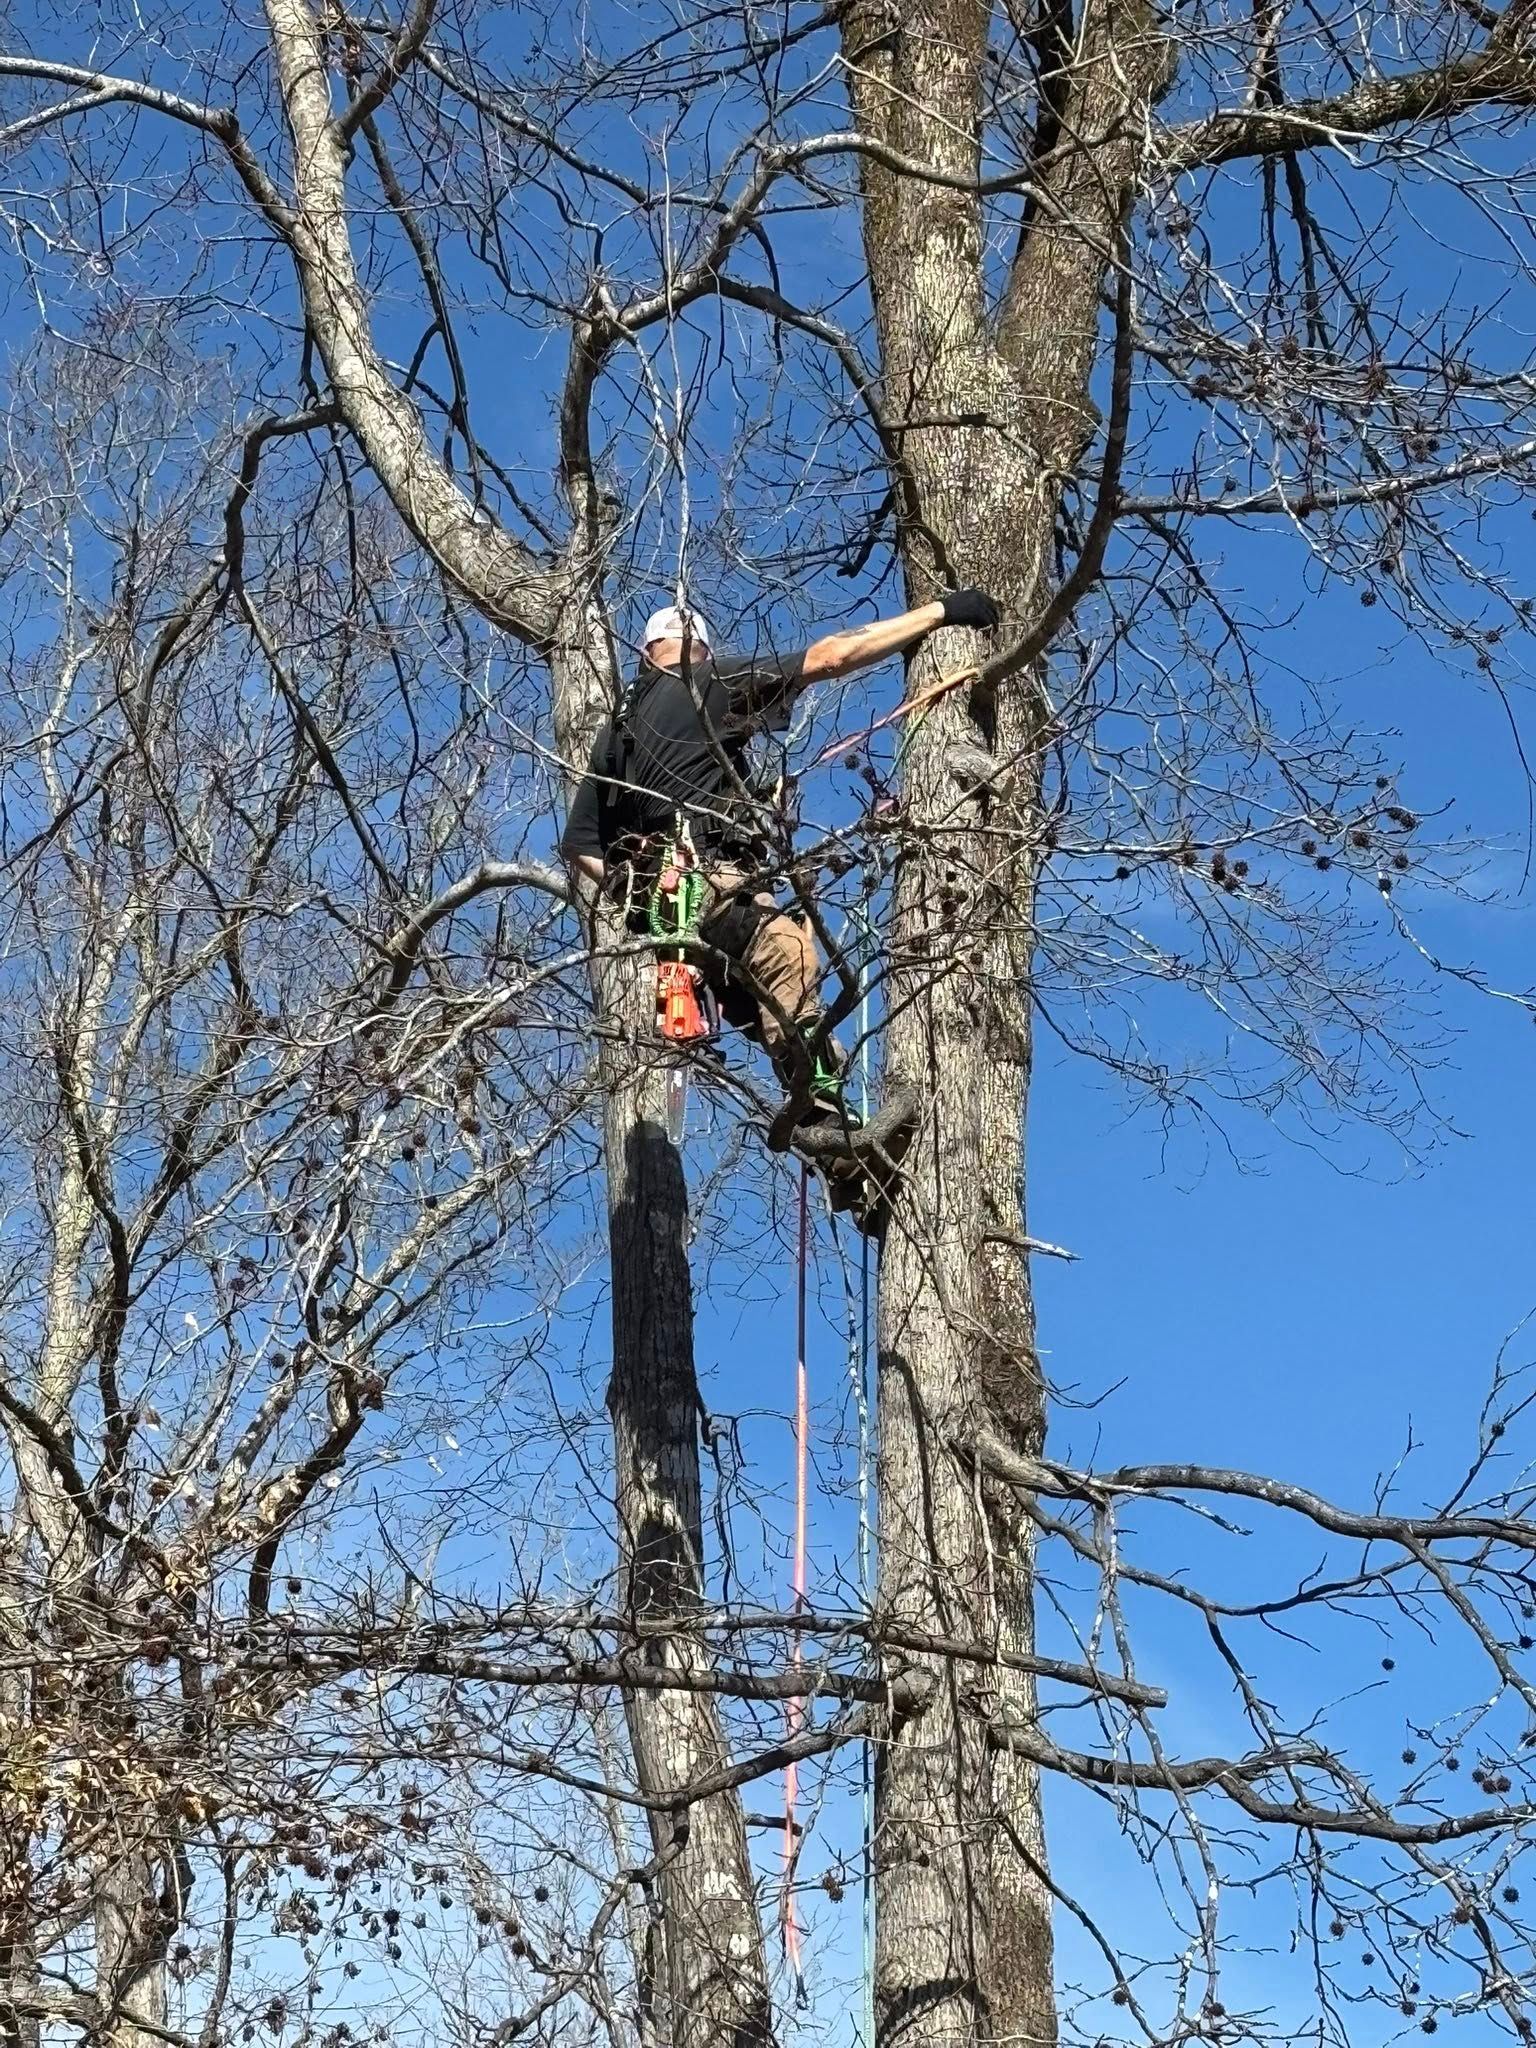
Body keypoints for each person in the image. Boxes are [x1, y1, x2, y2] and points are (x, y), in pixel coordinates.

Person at [561, 588, 1001, 1113]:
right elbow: (830, 657)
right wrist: (941, 613)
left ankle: (834, 1137)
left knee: (786, 1016)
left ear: (644, 653)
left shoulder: (618, 733)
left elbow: (579, 845)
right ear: (697, 648)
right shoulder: (707, 683)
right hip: (713, 884)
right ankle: (828, 1118)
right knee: (789, 954)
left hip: (672, 917)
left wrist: (639, 903)